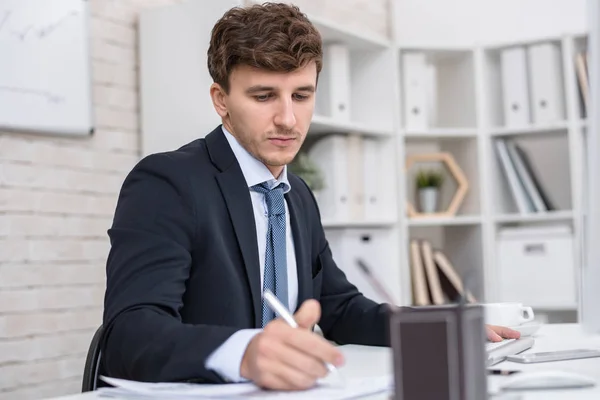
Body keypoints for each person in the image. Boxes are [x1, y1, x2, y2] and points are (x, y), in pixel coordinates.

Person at [100, 2, 519, 391]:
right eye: (263, 96)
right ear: (221, 100)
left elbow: (340, 308)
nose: (287, 118)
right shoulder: (167, 183)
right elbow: (130, 334)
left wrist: (441, 327)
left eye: (302, 95)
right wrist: (245, 353)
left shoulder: (295, 193)